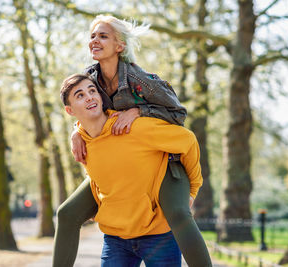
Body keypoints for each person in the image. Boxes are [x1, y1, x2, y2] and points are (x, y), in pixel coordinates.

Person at [53, 15, 212, 267]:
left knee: (179, 214)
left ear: (120, 46)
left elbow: (179, 114)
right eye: (92, 35)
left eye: (103, 36)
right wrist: (77, 130)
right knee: (67, 213)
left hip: (164, 156)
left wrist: (138, 111)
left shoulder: (141, 82)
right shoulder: (90, 78)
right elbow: (82, 105)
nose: (95, 40)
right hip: (120, 153)